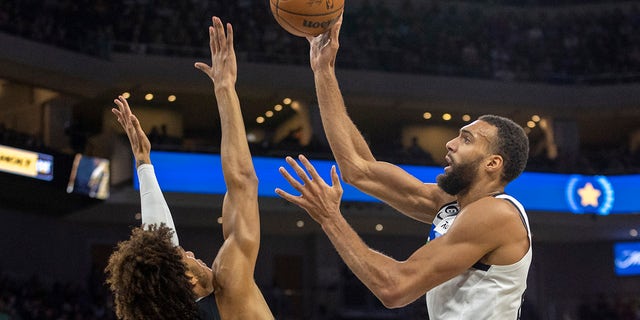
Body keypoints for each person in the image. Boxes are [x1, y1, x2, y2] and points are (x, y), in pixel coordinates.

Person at [275, 15, 532, 319]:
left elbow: (395, 288)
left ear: (493, 163)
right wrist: (323, 70)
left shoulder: (497, 214)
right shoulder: (450, 204)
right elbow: (359, 169)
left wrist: (331, 218)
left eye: (466, 139)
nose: (450, 144)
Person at [105, 17, 274, 320]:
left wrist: (144, 164)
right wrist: (224, 89)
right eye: (187, 257)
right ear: (189, 280)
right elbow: (244, 182)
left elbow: (159, 247)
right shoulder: (229, 291)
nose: (193, 253)